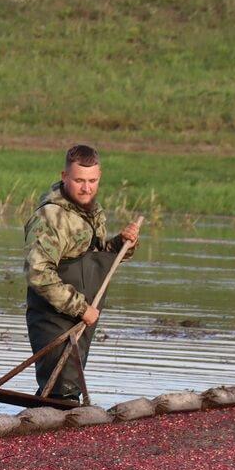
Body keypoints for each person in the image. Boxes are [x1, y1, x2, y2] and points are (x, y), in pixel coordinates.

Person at [23, 145, 141, 401]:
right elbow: (38, 274)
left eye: (92, 181)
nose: (86, 188)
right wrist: (80, 308)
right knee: (60, 392)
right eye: (79, 180)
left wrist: (122, 244)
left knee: (65, 389)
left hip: (83, 317)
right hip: (54, 317)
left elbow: (95, 255)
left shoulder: (91, 212)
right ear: (64, 176)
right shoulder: (50, 218)